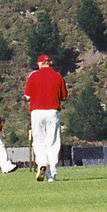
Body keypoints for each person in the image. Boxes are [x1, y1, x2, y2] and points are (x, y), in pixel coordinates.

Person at [21, 53, 68, 181]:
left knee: (38, 141)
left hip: (37, 112)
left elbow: (27, 96)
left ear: (39, 63)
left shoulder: (33, 76)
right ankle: (52, 172)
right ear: (50, 63)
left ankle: (42, 162)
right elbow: (64, 96)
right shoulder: (58, 76)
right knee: (52, 141)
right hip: (52, 111)